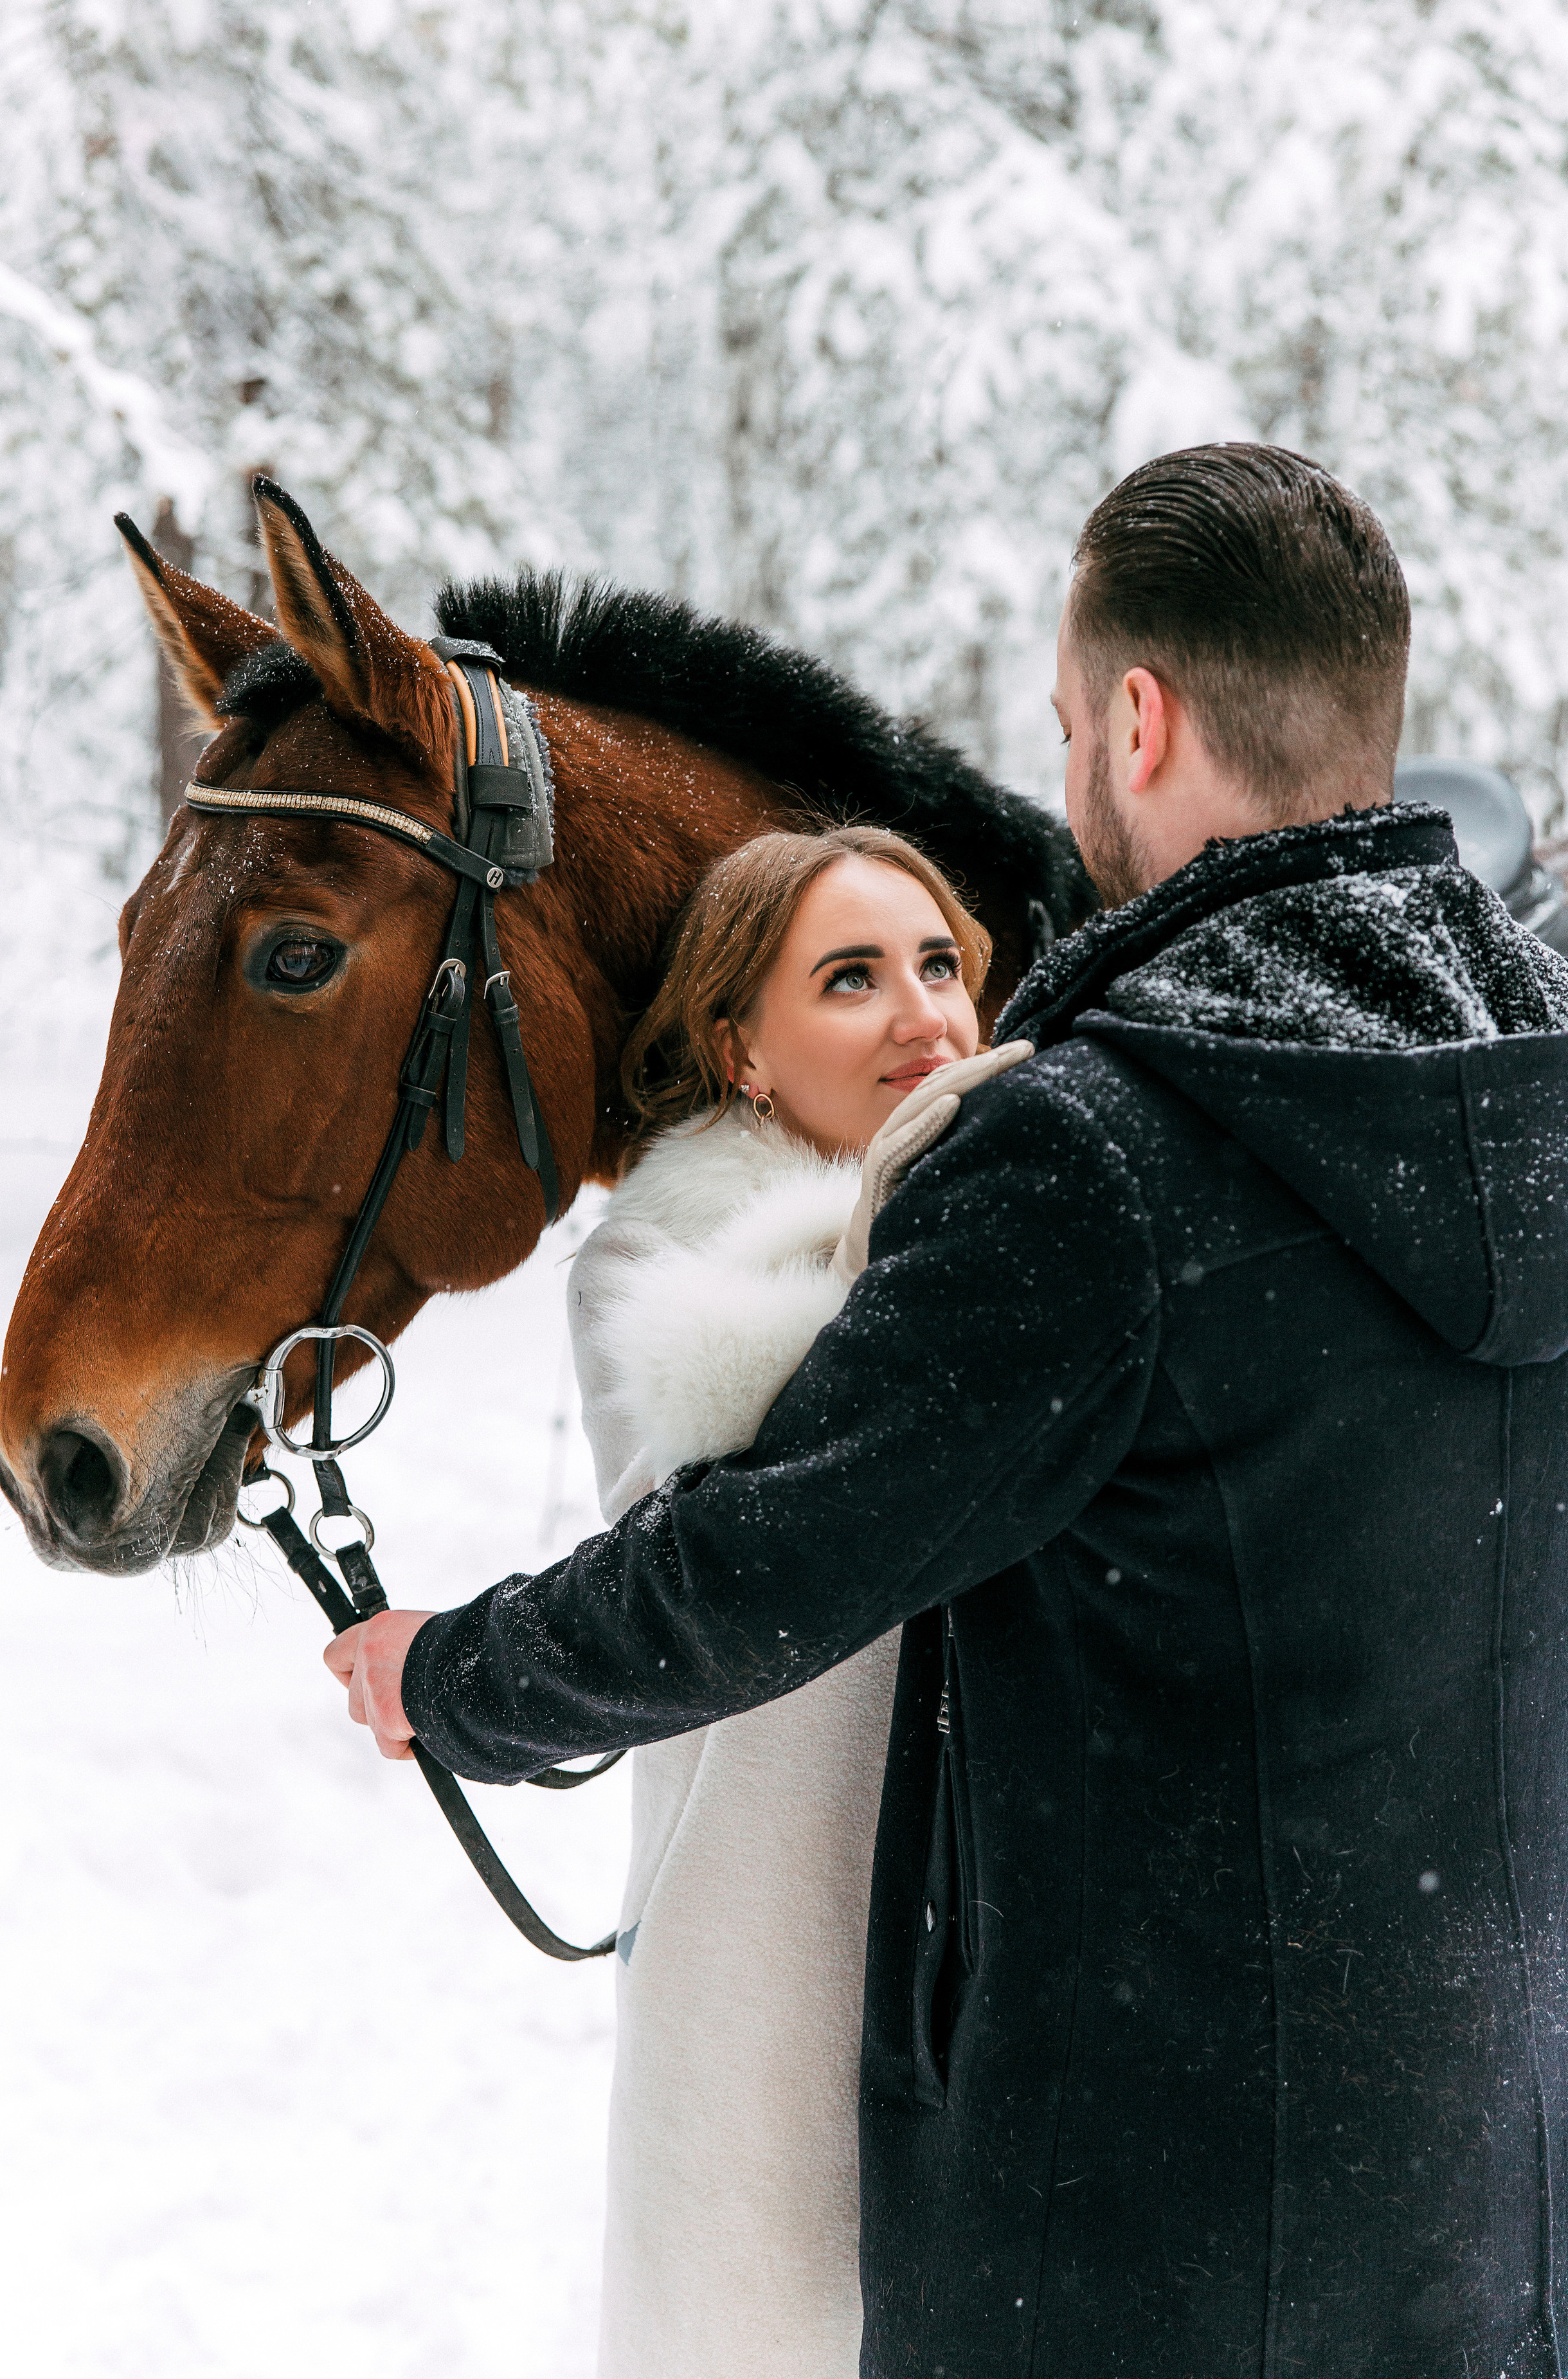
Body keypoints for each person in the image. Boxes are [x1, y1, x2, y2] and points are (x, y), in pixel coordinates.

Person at [329, 443, 1568, 2376]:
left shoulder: (1097, 1150)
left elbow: (757, 1566)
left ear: (1138, 723)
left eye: (1073, 722)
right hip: (1485, 2196)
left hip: (1130, 2229)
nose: (1069, 763)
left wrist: (455, 1675)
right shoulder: (1533, 1090)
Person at [566, 824, 1018, 2378]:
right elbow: (745, 1501)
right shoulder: (659, 1260)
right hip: (765, 1958)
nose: (924, 1018)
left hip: (989, 1940)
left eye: (940, 966)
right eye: (850, 979)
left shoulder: (999, 1229)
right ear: (737, 1051)